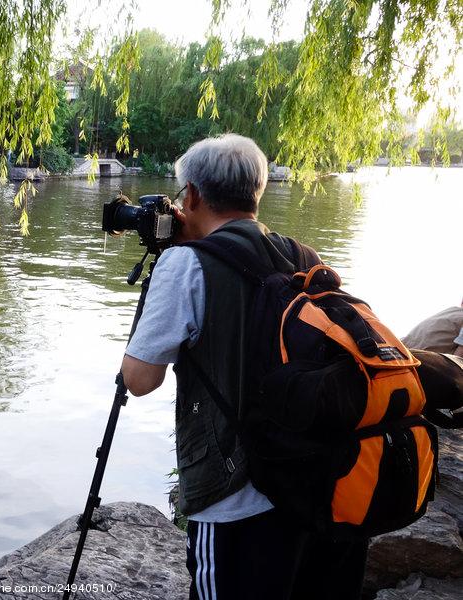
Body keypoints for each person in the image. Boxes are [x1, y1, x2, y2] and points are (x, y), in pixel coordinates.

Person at [120, 134, 367, 600]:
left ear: (190, 195)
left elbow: (139, 379)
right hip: (312, 481)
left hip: (235, 499)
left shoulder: (186, 265)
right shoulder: (304, 256)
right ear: (257, 192)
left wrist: (172, 265)